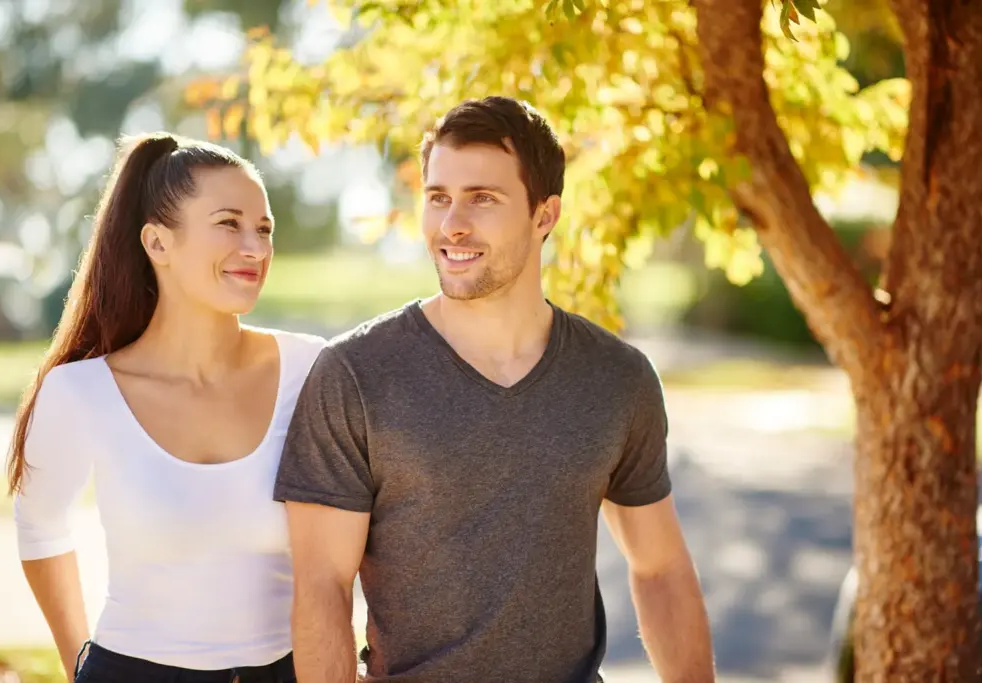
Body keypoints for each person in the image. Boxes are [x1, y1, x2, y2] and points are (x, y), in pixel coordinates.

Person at [273, 96, 714, 683]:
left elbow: (660, 569)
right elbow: (324, 586)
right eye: (438, 198)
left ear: (544, 215)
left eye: (482, 198)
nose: (452, 223)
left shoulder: (617, 379)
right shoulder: (356, 375)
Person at [9, 132, 324, 683]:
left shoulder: (312, 369)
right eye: (229, 223)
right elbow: (39, 527)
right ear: (157, 244)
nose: (255, 247)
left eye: (264, 228)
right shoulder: (80, 391)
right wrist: (78, 663)